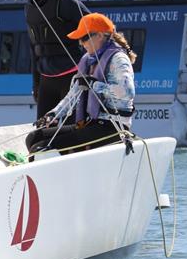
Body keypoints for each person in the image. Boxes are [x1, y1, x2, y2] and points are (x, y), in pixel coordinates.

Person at [25, 13, 137, 156]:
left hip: (113, 127)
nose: (81, 43)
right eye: (79, 39)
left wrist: (96, 85)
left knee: (41, 148)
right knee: (34, 138)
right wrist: (53, 115)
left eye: (84, 38)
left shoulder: (118, 59)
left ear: (100, 35)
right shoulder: (88, 60)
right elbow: (73, 94)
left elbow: (128, 92)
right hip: (91, 124)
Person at [9, 0, 89, 121]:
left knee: (69, 132)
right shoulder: (30, 8)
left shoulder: (65, 2)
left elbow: (95, 27)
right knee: (42, 129)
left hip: (71, 77)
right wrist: (36, 84)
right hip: (46, 80)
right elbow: (34, 49)